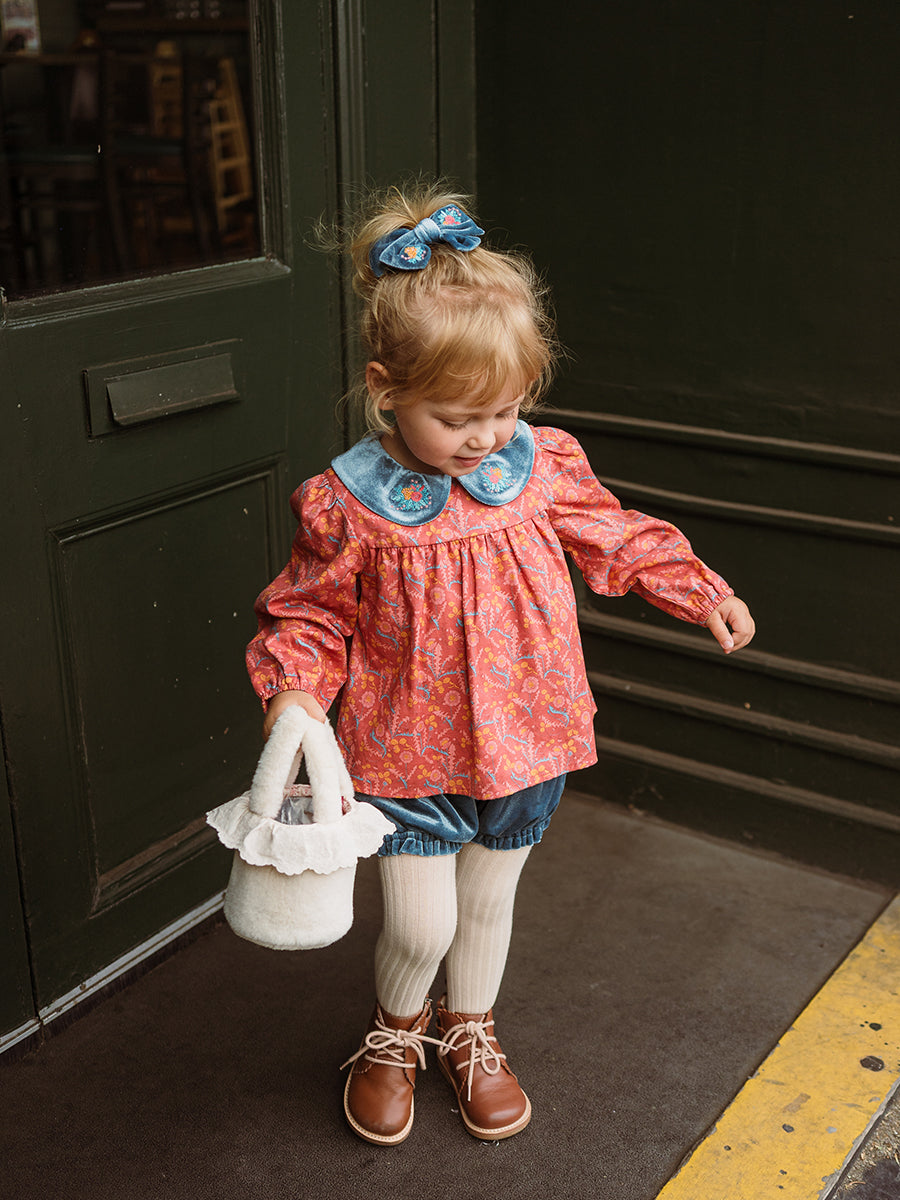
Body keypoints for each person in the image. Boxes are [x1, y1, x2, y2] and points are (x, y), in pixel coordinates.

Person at [246, 183, 755, 1146]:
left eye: (506, 409)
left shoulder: (540, 463)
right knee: (420, 927)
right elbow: (308, 612)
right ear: (386, 387)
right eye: (457, 417)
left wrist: (697, 589)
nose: (486, 438)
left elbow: (615, 535)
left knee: (487, 905)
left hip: (529, 735)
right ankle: (395, 1033)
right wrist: (296, 692)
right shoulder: (347, 504)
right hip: (406, 750)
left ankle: (470, 1030)